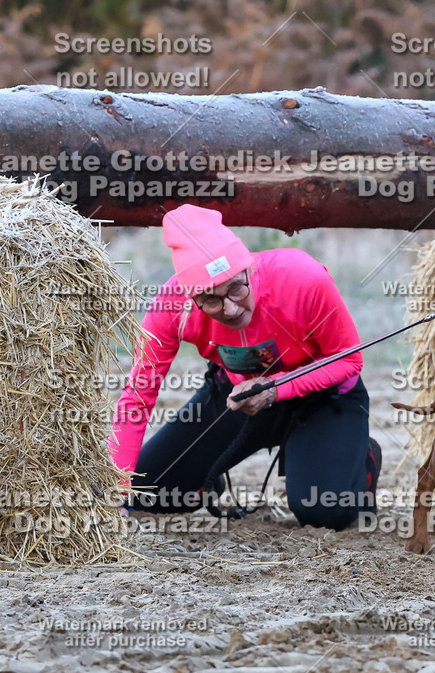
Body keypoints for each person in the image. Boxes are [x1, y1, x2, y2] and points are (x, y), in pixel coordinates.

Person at [108, 204, 380, 530]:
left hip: (323, 395)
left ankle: (363, 459)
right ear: (190, 297)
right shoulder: (170, 307)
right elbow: (138, 396)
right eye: (211, 299)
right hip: (237, 396)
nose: (232, 309)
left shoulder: (302, 277)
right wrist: (117, 491)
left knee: (324, 511)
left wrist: (277, 388)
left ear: (249, 268)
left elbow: (350, 359)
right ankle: (205, 477)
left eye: (236, 287)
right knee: (147, 492)